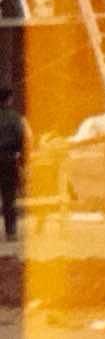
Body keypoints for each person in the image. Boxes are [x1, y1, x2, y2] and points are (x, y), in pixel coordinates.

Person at [0, 86, 30, 243]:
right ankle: (10, 232)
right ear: (9, 99)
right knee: (9, 197)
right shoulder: (15, 117)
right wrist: (23, 160)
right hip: (8, 159)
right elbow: (22, 139)